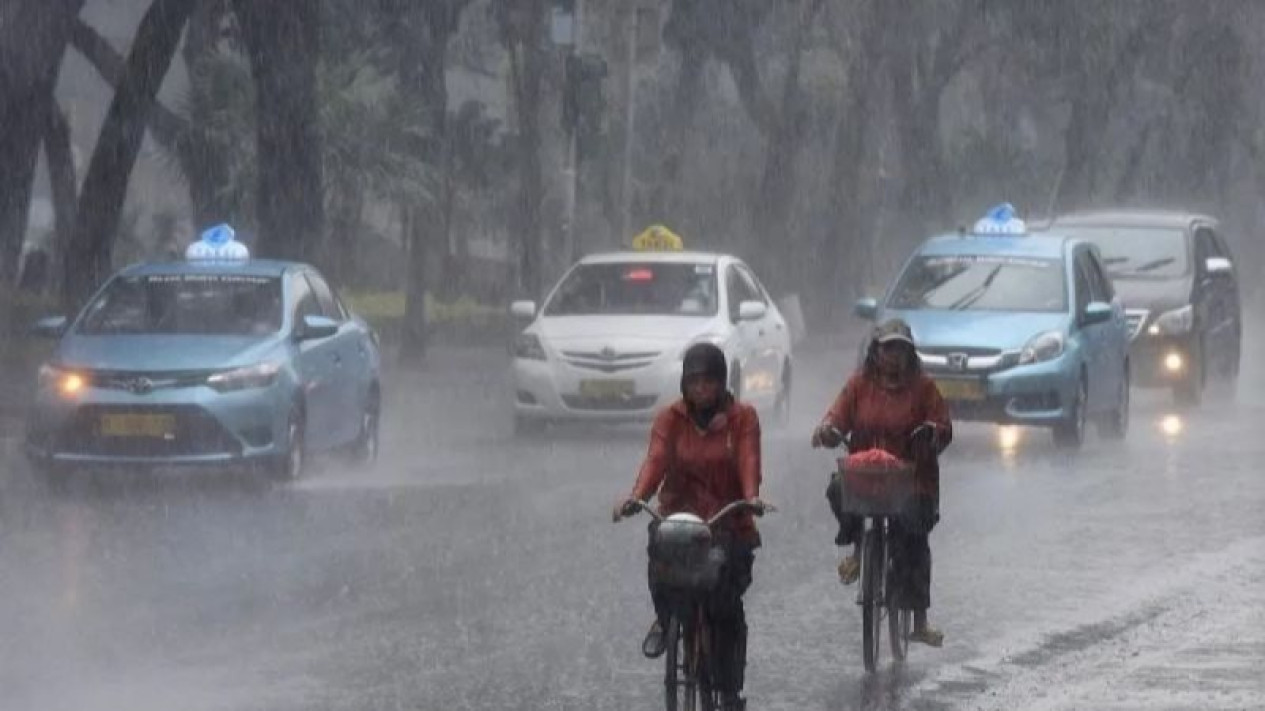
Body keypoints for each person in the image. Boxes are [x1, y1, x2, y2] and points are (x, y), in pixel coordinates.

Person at [613, 343, 766, 709]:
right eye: (694, 382)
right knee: (660, 557)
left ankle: (729, 690)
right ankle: (666, 620)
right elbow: (656, 460)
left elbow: (748, 459)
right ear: (685, 384)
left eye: (709, 382)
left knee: (725, 607)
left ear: (721, 383)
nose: (701, 390)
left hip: (728, 523)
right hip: (680, 519)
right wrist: (638, 498)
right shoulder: (670, 419)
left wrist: (751, 496)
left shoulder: (743, 418)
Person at [811, 318, 952, 647]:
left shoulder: (924, 388)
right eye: (888, 348)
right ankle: (858, 547)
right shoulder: (858, 385)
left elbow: (943, 426)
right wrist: (826, 430)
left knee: (913, 538)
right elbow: (836, 418)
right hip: (866, 477)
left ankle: (919, 619)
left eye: (901, 349)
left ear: (910, 354)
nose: (894, 356)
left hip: (912, 481)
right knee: (836, 488)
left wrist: (933, 433)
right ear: (875, 352)